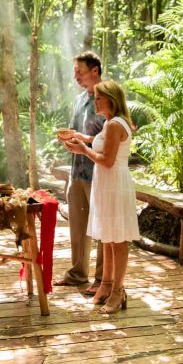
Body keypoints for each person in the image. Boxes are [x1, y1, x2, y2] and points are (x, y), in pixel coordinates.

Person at [63, 80, 138, 314]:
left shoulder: (115, 124)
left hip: (114, 183)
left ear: (111, 100)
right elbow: (102, 144)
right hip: (107, 183)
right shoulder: (110, 123)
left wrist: (83, 150)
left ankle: (118, 291)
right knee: (107, 237)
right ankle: (105, 285)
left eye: (98, 98)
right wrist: (83, 139)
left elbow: (107, 159)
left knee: (118, 240)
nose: (94, 102)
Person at [54, 51, 106, 295]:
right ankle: (77, 273)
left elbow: (112, 135)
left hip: (100, 171)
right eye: (74, 71)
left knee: (103, 227)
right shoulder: (79, 99)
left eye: (80, 71)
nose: (75, 76)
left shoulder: (108, 97)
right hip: (77, 171)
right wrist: (69, 140)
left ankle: (103, 279)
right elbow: (75, 130)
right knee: (78, 224)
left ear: (95, 70)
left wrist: (83, 142)